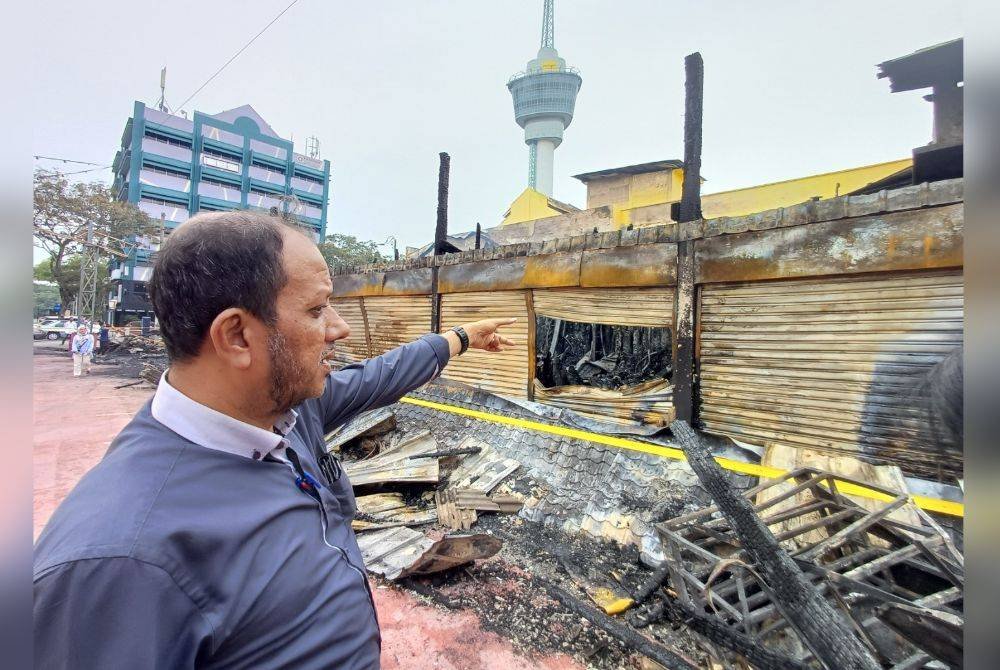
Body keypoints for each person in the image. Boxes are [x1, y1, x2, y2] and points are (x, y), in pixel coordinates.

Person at [33, 211, 516, 669]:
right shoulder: (117, 561)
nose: (339, 328)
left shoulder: (287, 411)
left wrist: (461, 338)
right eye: (316, 309)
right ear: (237, 336)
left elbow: (379, 377)